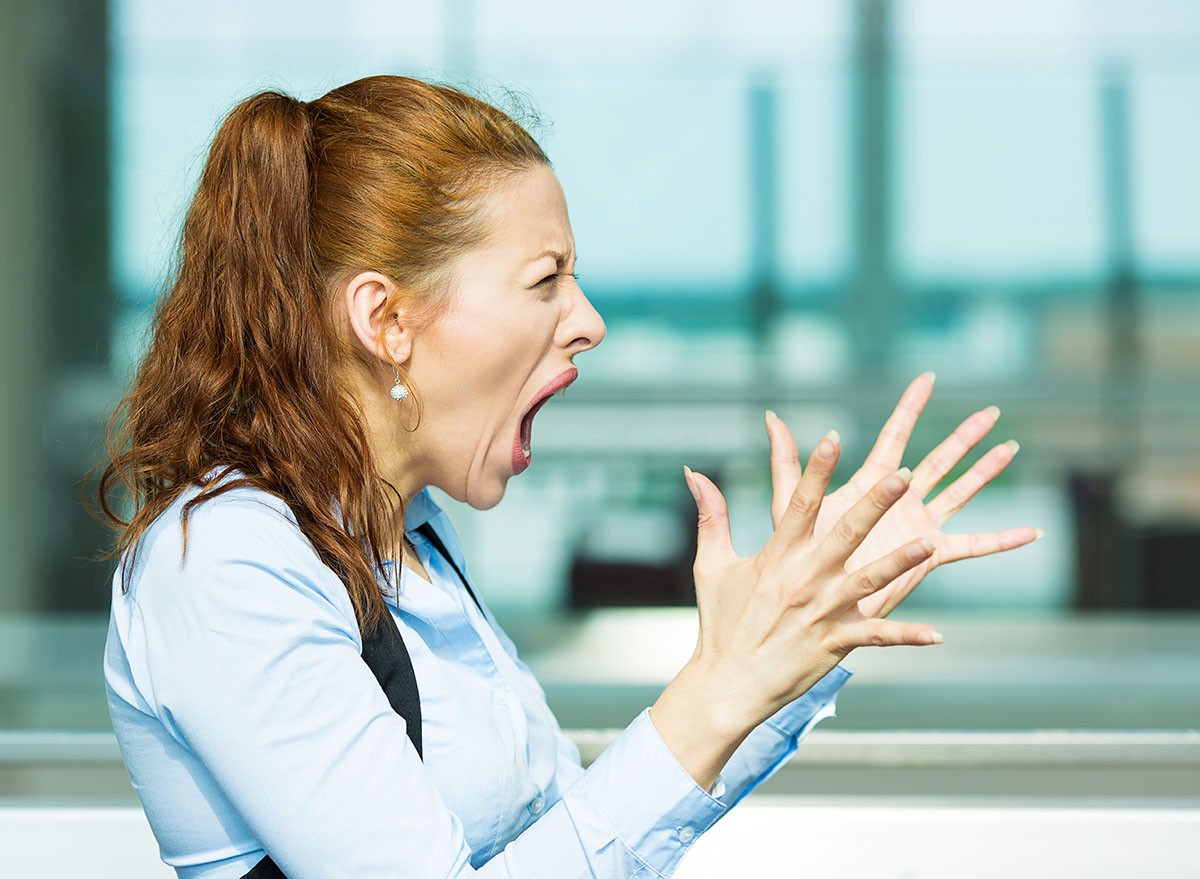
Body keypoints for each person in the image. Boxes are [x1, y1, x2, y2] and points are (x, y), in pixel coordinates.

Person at [99, 75, 1037, 878]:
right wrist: (712, 691)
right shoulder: (226, 561)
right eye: (546, 280)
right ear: (385, 321)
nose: (587, 320)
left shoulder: (412, 540)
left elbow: (572, 841)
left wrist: (788, 643)